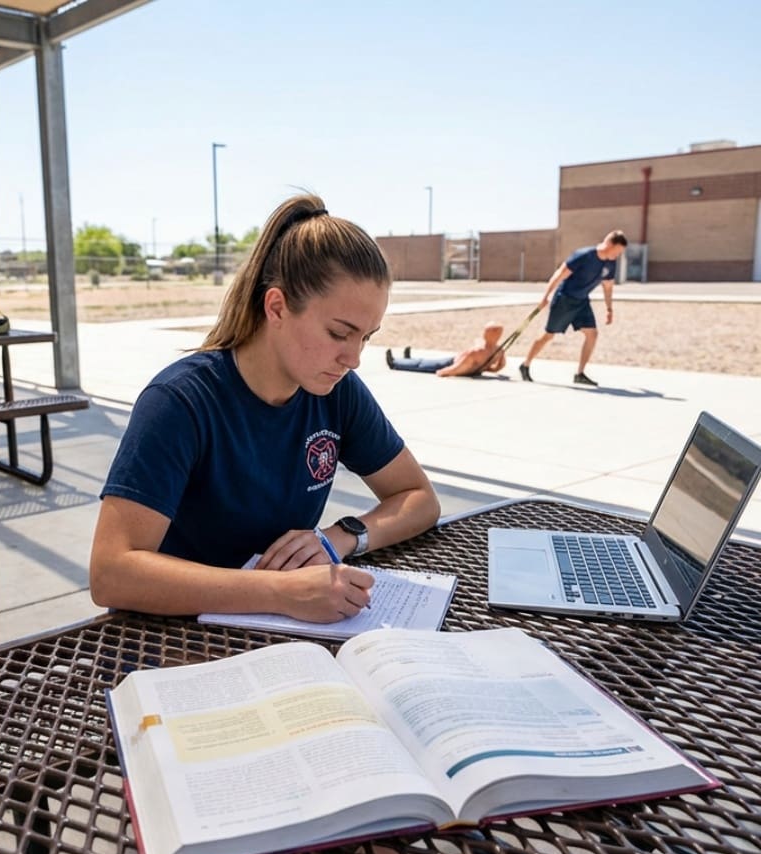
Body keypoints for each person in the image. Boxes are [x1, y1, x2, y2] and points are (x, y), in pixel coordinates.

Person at [89, 194, 441, 623]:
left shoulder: (337, 391)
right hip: (165, 637)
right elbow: (111, 572)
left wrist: (341, 537)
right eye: (338, 333)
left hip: (269, 630)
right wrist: (279, 591)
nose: (353, 358)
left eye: (366, 337)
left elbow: (419, 499)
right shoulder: (180, 401)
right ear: (276, 306)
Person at [518, 231, 628, 386]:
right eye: (617, 252)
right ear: (609, 244)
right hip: (565, 299)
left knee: (592, 334)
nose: (618, 256)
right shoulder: (583, 255)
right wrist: (545, 297)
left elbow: (608, 286)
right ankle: (525, 364)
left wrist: (609, 309)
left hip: (582, 301)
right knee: (548, 336)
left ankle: (580, 374)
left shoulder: (611, 262)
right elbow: (559, 274)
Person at [385, 322, 508, 377]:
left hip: (452, 363)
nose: (484, 333)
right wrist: (485, 369)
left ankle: (395, 362)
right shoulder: (498, 350)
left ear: (491, 334)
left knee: (422, 365)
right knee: (424, 362)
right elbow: (499, 367)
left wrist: (445, 372)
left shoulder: (478, 352)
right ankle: (407, 359)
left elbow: (460, 365)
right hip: (468, 369)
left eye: (486, 331)